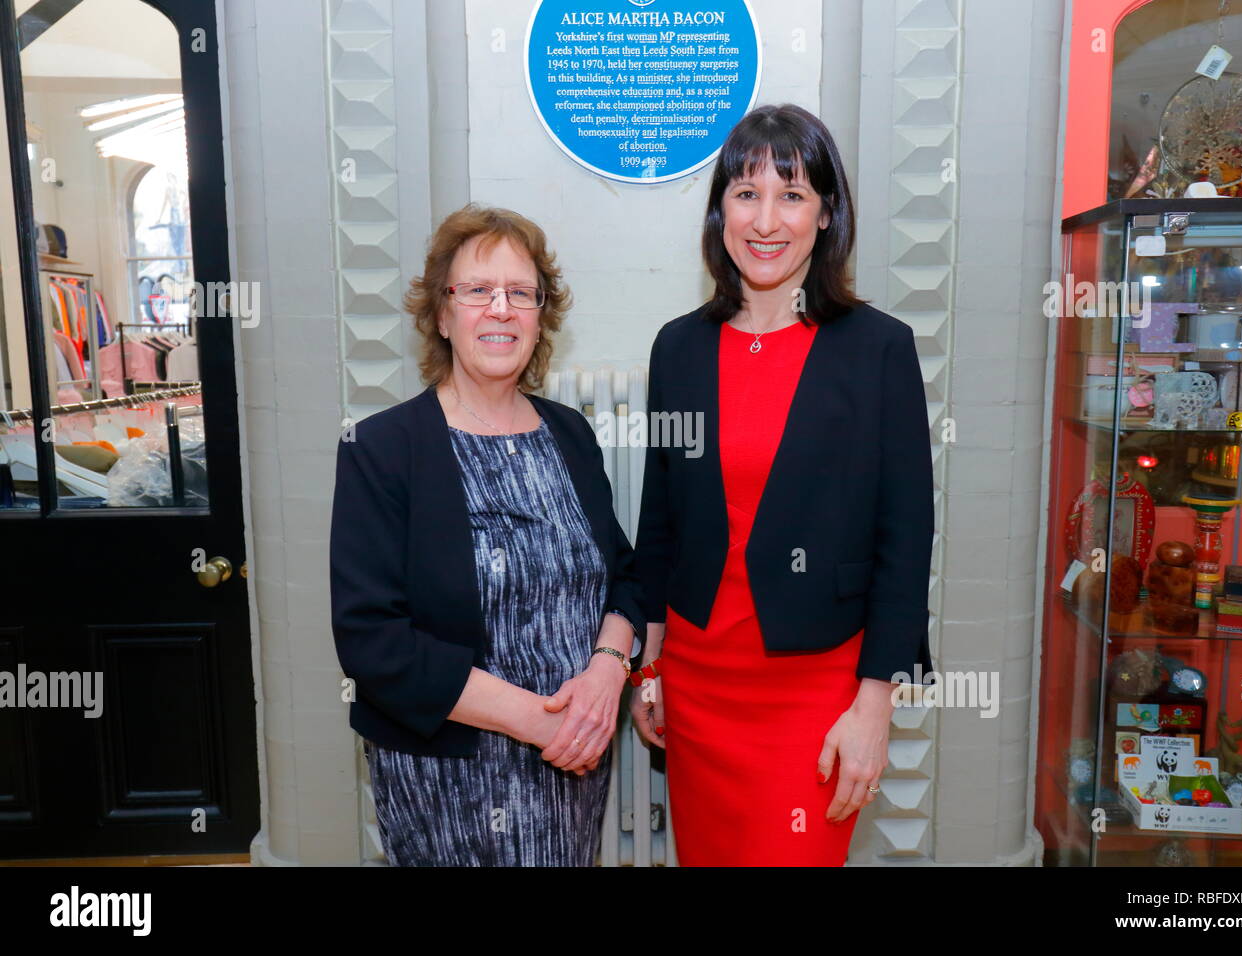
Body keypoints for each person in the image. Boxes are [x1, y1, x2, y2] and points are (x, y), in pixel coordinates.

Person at [630, 104, 935, 866]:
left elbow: (906, 540)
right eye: (746, 193)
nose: (767, 220)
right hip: (698, 686)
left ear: (826, 214)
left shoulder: (879, 350)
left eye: (792, 195)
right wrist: (650, 665)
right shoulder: (678, 348)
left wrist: (875, 706)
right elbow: (660, 522)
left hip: (818, 692)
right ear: (720, 211)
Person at [330, 204, 644, 866]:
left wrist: (606, 674)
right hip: (446, 778)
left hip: (570, 771)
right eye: (477, 290)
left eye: (521, 293)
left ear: (539, 317)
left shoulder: (570, 435)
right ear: (442, 315)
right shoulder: (383, 448)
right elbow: (372, 642)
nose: (501, 309)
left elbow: (624, 574)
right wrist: (539, 721)